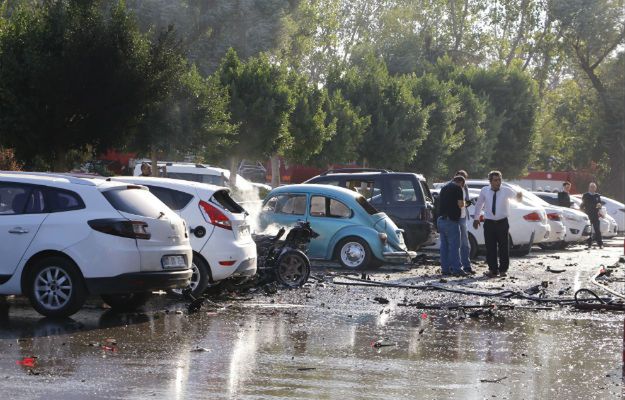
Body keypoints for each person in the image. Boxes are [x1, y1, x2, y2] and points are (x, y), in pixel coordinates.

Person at [472, 171, 522, 278]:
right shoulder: (485, 190)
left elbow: (518, 198)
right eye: (495, 180)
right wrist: (476, 218)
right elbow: (479, 204)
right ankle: (493, 270)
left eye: (499, 180)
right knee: (490, 247)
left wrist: (520, 196)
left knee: (504, 247)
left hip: (502, 222)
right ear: (490, 181)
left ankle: (503, 270)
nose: (498, 182)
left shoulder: (506, 190)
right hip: (489, 223)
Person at [437, 175, 467, 277]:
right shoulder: (457, 188)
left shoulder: (444, 188)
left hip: (441, 220)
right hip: (451, 221)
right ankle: (457, 269)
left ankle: (445, 269)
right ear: (461, 183)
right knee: (455, 246)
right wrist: (467, 203)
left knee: (444, 246)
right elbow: (461, 205)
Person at [455, 170, 475, 275]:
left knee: (465, 243)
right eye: (460, 178)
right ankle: (456, 266)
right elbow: (459, 203)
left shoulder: (465, 187)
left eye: (463, 179)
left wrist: (466, 203)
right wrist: (465, 203)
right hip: (454, 217)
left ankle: (466, 265)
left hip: (462, 217)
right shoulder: (451, 187)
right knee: (456, 243)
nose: (462, 181)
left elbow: (465, 202)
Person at [582, 182, 603, 249]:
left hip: (596, 215)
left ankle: (600, 244)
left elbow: (599, 205)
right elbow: (583, 205)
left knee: (597, 230)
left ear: (595, 188)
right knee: (589, 231)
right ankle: (589, 244)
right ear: (589, 187)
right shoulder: (585, 195)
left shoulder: (597, 196)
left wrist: (599, 206)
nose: (593, 188)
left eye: (594, 187)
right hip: (588, 215)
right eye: (591, 187)